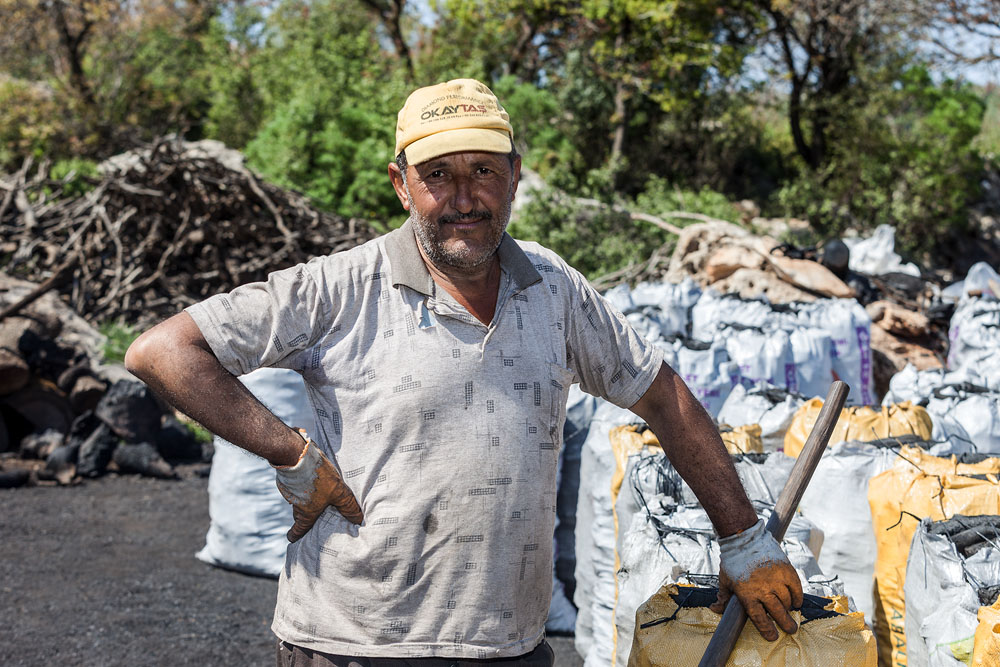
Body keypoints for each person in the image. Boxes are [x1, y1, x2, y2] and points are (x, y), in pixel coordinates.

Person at [125, 78, 803, 666]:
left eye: (483, 170)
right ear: (401, 184)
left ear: (515, 175)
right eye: (438, 175)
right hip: (352, 644)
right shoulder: (339, 288)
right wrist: (288, 451)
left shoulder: (555, 290)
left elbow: (664, 398)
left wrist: (744, 539)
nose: (464, 197)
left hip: (507, 647)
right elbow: (163, 351)